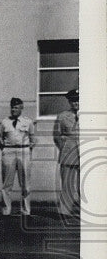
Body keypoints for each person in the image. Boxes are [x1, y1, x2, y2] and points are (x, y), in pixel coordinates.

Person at [0, 97, 36, 215]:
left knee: (25, 184)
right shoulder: (4, 122)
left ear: (21, 108)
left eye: (16, 107)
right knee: (6, 184)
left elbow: (33, 138)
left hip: (23, 151)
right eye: (12, 107)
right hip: (9, 152)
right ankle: (6, 210)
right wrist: (5, 149)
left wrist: (28, 150)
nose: (13, 109)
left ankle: (25, 210)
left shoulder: (28, 122)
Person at [53, 88, 80, 218]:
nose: (76, 103)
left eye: (78, 100)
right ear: (69, 102)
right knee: (67, 184)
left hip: (86, 154)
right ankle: (65, 212)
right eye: (73, 101)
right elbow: (56, 135)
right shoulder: (63, 116)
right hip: (68, 153)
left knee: (86, 185)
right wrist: (64, 147)